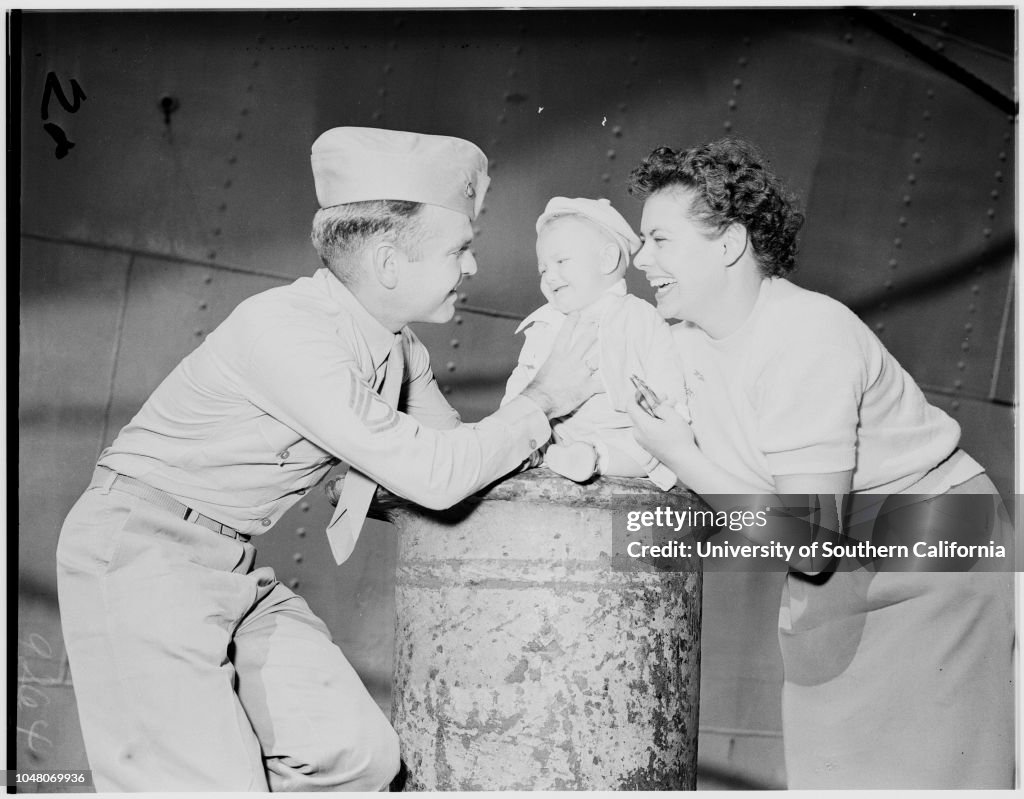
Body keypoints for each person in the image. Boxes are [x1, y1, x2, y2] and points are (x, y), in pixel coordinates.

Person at [55, 126, 600, 792]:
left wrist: (576, 428)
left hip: (229, 562)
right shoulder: (288, 328)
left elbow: (461, 456)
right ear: (389, 264)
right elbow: (436, 474)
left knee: (355, 754)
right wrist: (541, 400)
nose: (473, 267)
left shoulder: (399, 349)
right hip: (141, 553)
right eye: (461, 249)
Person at [623, 137, 1015, 789]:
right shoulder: (685, 341)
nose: (642, 260)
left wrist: (679, 455)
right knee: (831, 770)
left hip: (934, 557)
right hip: (835, 568)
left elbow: (807, 544)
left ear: (728, 245)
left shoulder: (808, 335)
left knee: (933, 774)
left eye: (660, 240)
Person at [502, 196, 687, 486]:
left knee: (647, 454)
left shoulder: (639, 316)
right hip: (560, 428)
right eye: (543, 269)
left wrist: (673, 416)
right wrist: (508, 421)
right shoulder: (546, 323)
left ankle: (594, 459)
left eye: (561, 261)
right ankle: (537, 454)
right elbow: (524, 375)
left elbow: (665, 368)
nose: (550, 276)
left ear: (606, 259)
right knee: (535, 438)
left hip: (624, 428)